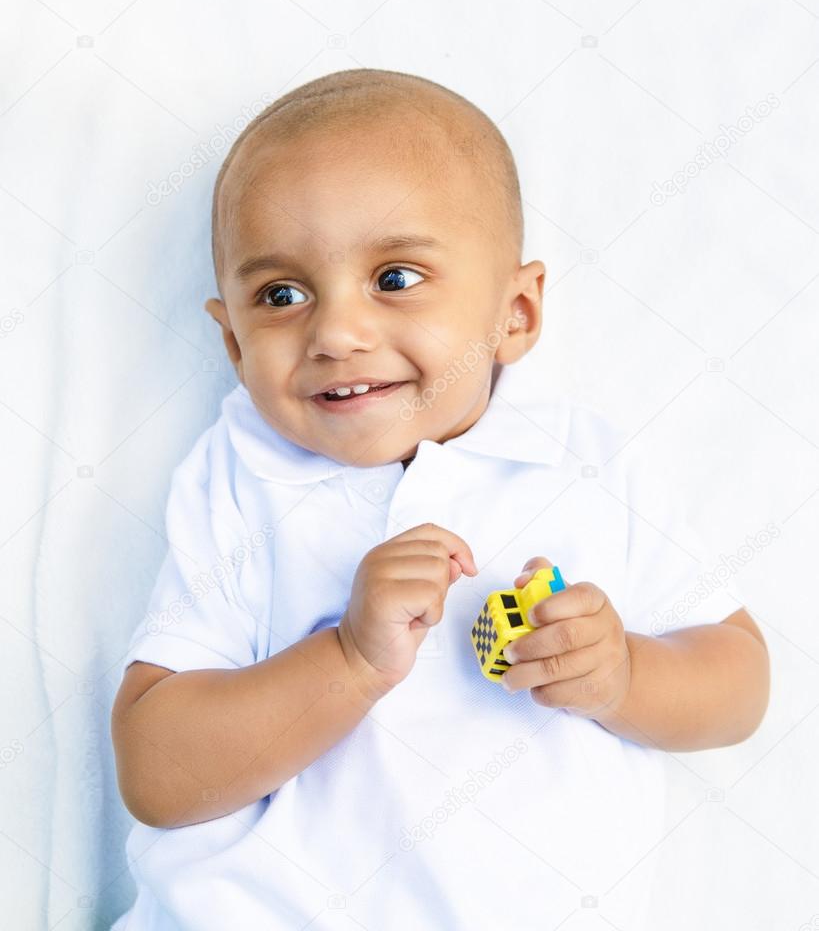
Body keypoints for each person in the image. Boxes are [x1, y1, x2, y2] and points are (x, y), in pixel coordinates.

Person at [109, 67, 770, 930]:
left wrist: (624, 676)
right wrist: (347, 659)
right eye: (281, 295)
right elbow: (158, 775)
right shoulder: (240, 476)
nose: (336, 333)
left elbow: (741, 685)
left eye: (395, 278)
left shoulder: (581, 464)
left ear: (516, 313)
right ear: (232, 342)